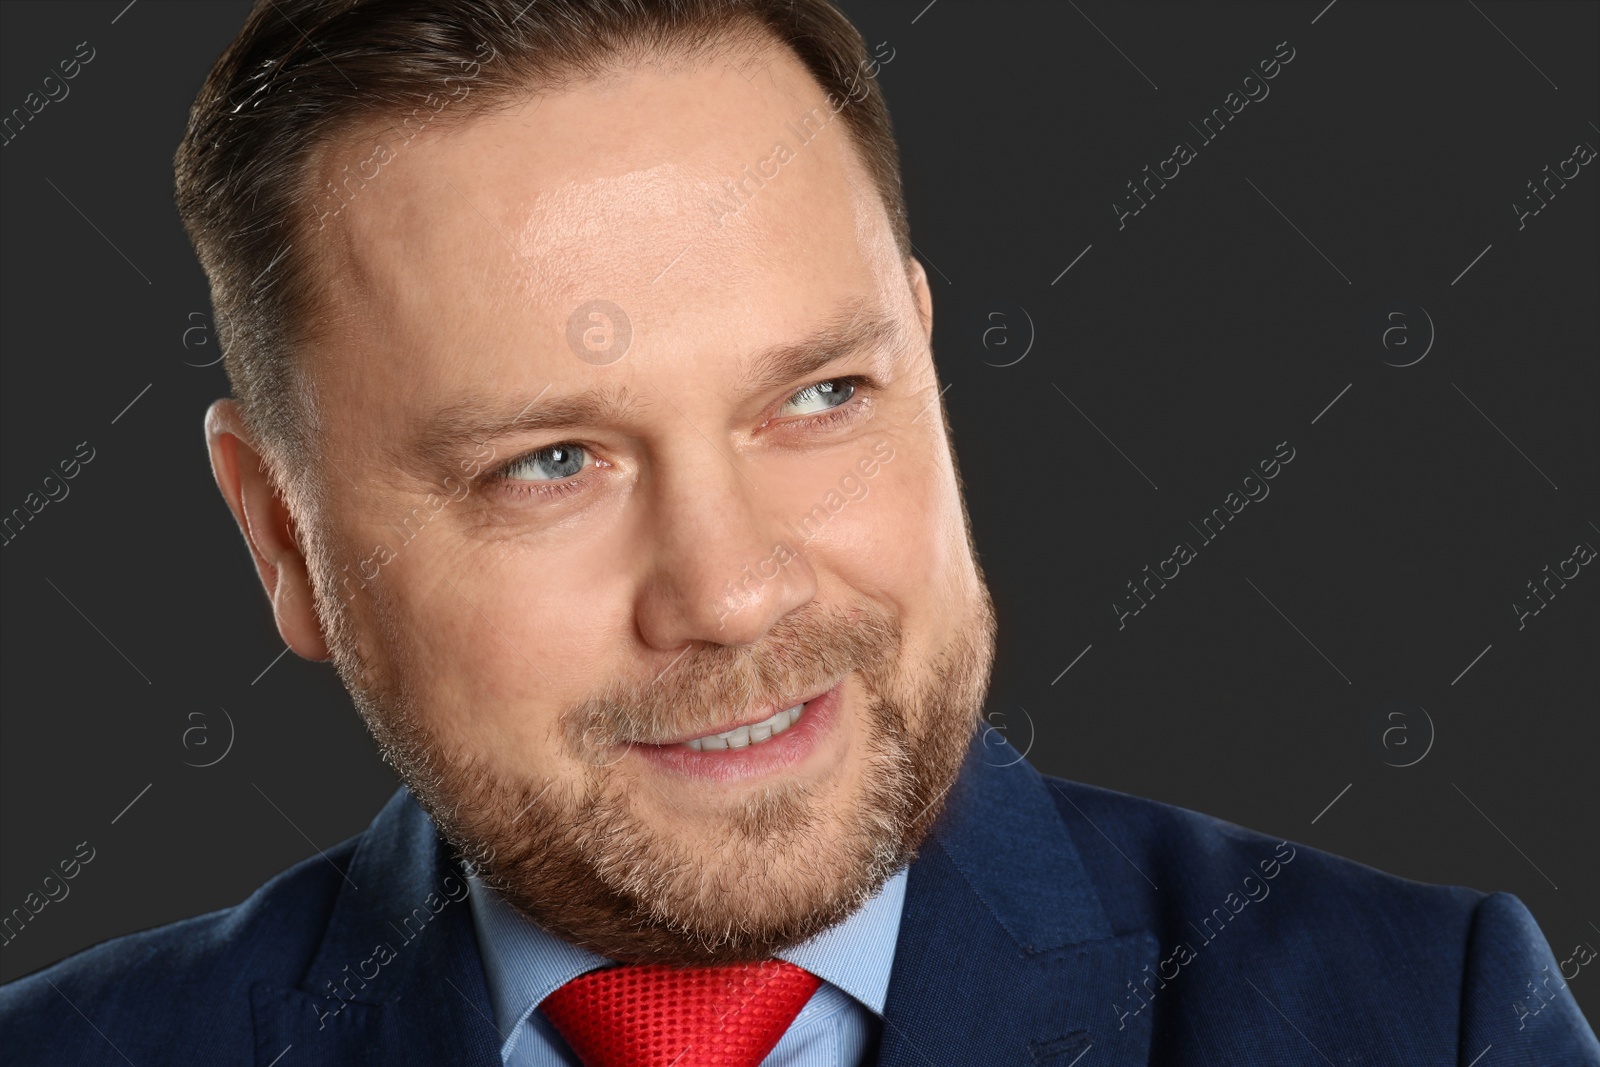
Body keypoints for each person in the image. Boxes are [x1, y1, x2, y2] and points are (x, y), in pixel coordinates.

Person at [2, 1, 1595, 1064]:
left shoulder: (1416, 1019)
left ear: (924, 356)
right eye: (551, 460)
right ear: (281, 540)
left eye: (822, 396)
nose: (734, 590)